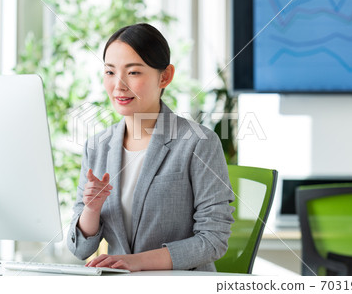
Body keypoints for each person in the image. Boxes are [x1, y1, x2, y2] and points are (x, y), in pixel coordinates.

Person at [67, 23, 234, 272]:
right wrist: (91, 209)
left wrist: (135, 262)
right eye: (110, 72)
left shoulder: (199, 142)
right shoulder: (97, 147)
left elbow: (213, 240)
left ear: (165, 76)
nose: (119, 85)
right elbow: (79, 249)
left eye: (133, 72)